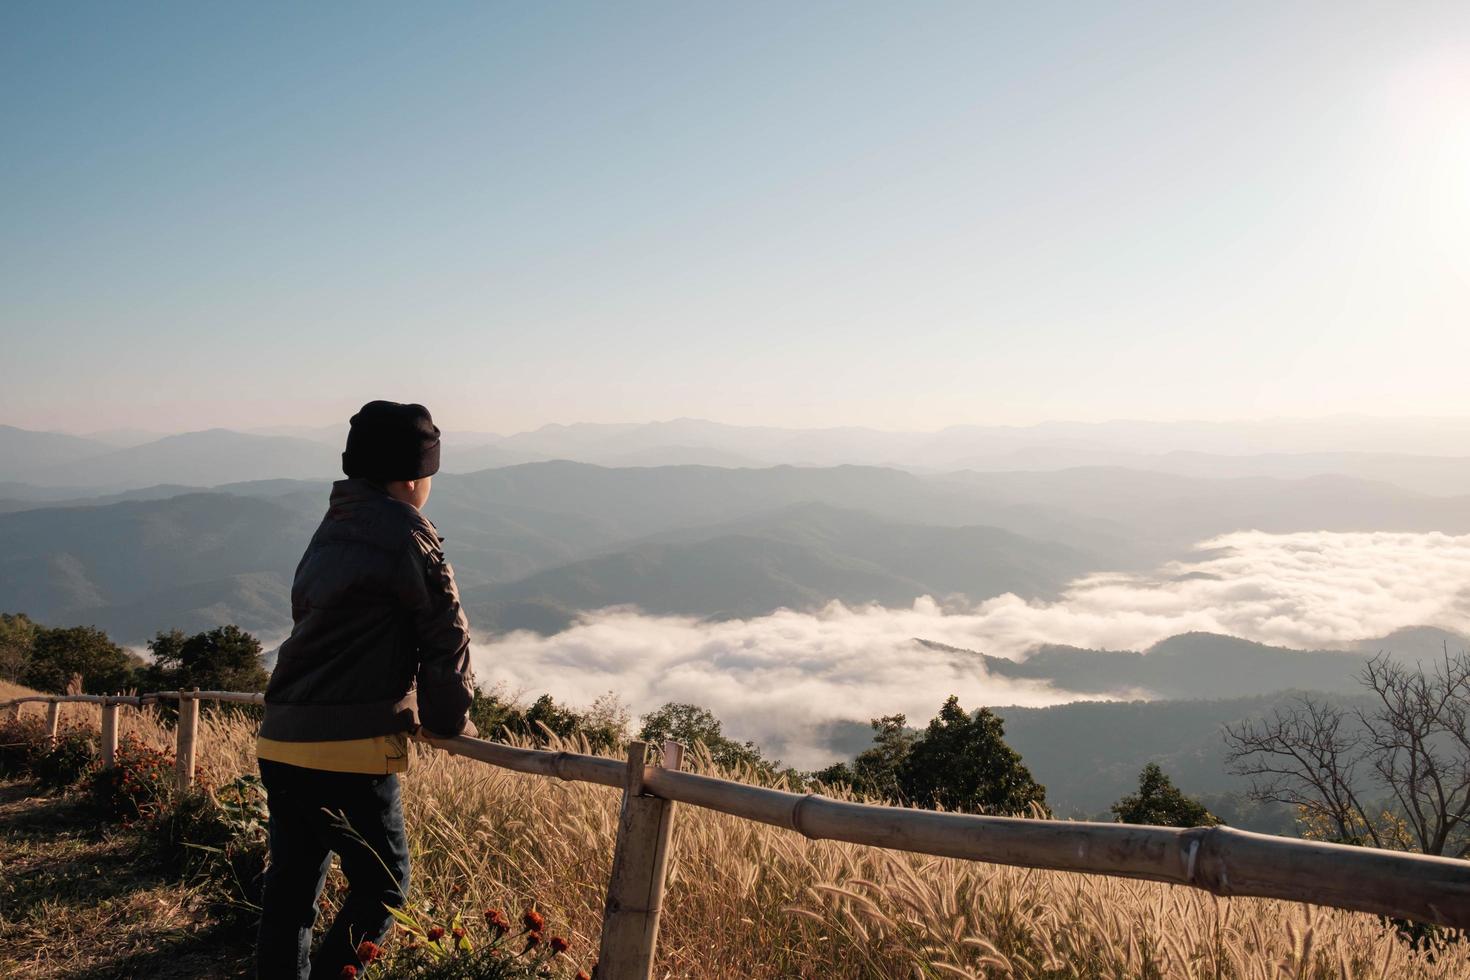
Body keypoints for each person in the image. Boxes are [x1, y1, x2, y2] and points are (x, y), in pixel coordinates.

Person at [255, 400, 477, 980]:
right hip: (350, 746)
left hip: (281, 738)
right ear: (411, 477)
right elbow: (445, 635)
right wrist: (450, 722)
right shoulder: (410, 534)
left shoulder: (330, 528)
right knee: (384, 886)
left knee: (291, 889)